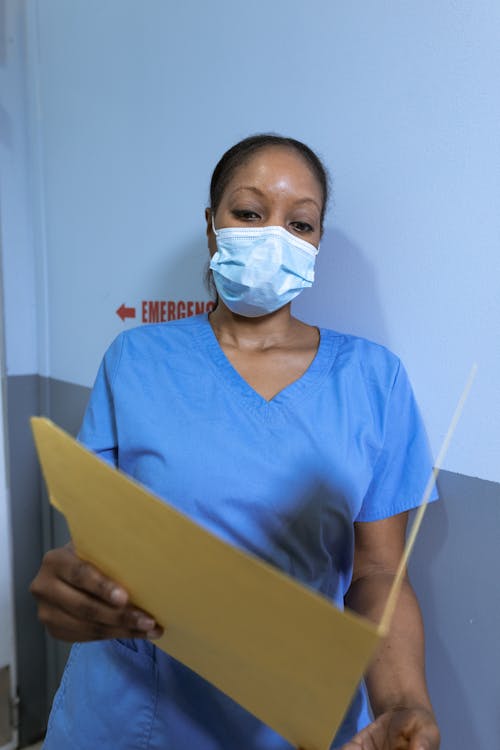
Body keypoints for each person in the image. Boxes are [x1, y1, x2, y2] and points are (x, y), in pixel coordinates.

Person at [30, 134, 441, 750]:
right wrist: (74, 585)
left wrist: (404, 703)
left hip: (289, 716)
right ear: (211, 224)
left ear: (316, 242)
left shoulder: (372, 379)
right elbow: (96, 546)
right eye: (249, 213)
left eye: (299, 223)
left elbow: (379, 569)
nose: (274, 236)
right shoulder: (138, 360)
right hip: (129, 713)